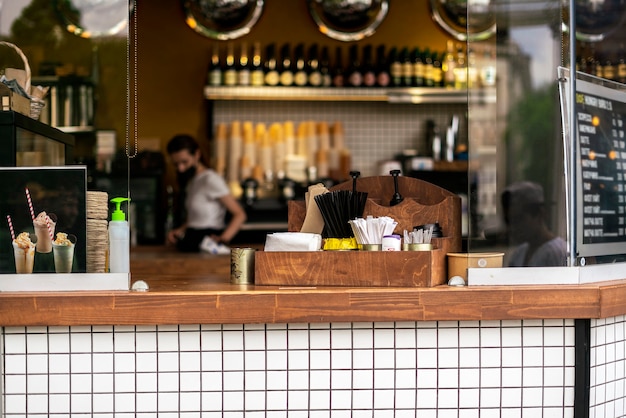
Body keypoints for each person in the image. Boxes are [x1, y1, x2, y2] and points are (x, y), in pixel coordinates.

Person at [166, 134, 247, 252]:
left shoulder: (211, 179)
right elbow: (196, 218)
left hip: (207, 243)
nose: (180, 169)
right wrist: (179, 231)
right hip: (191, 240)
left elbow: (239, 214)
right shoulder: (192, 181)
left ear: (197, 154)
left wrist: (223, 239)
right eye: (176, 164)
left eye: (184, 162)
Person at [501, 181, 567, 267]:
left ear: (539, 214)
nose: (513, 228)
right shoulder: (519, 254)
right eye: (508, 221)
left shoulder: (557, 253)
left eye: (519, 219)